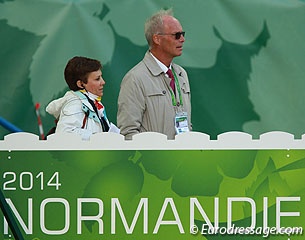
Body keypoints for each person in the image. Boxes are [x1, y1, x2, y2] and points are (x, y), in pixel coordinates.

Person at [117, 9, 192, 140]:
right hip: (153, 159)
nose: (182, 39)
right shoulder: (135, 78)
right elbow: (128, 133)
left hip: (182, 157)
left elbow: (186, 124)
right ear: (157, 39)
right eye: (177, 35)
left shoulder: (181, 74)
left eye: (183, 34)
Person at [46, 56, 119, 140]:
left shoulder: (91, 102)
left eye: (101, 77)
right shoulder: (76, 104)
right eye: (97, 79)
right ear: (80, 84)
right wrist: (97, 138)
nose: (103, 82)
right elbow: (64, 133)